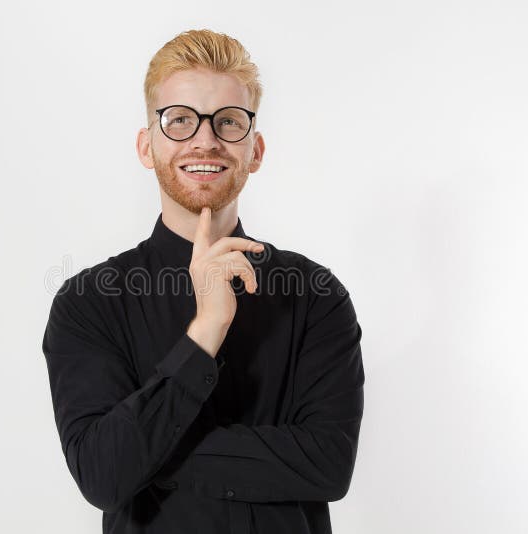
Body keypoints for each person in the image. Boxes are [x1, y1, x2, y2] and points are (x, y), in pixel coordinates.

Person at [42, 29, 365, 534]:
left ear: (255, 151)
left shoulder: (316, 296)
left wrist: (152, 454)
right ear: (146, 146)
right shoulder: (88, 303)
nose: (205, 140)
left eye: (228, 122)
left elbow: (328, 465)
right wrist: (207, 327)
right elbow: (103, 475)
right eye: (180, 121)